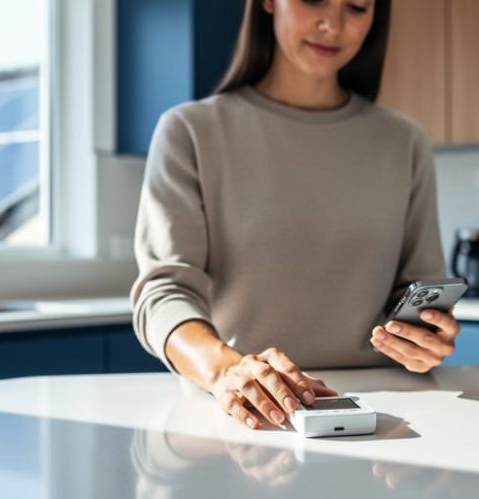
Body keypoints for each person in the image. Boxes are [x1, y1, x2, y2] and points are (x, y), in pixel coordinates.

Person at [131, 0, 460, 431]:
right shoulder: (189, 131)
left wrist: (426, 337)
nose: (333, 25)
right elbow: (163, 294)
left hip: (385, 417)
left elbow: (421, 286)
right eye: (314, 0)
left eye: (357, 7)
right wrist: (225, 370)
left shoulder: (405, 142)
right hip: (244, 412)